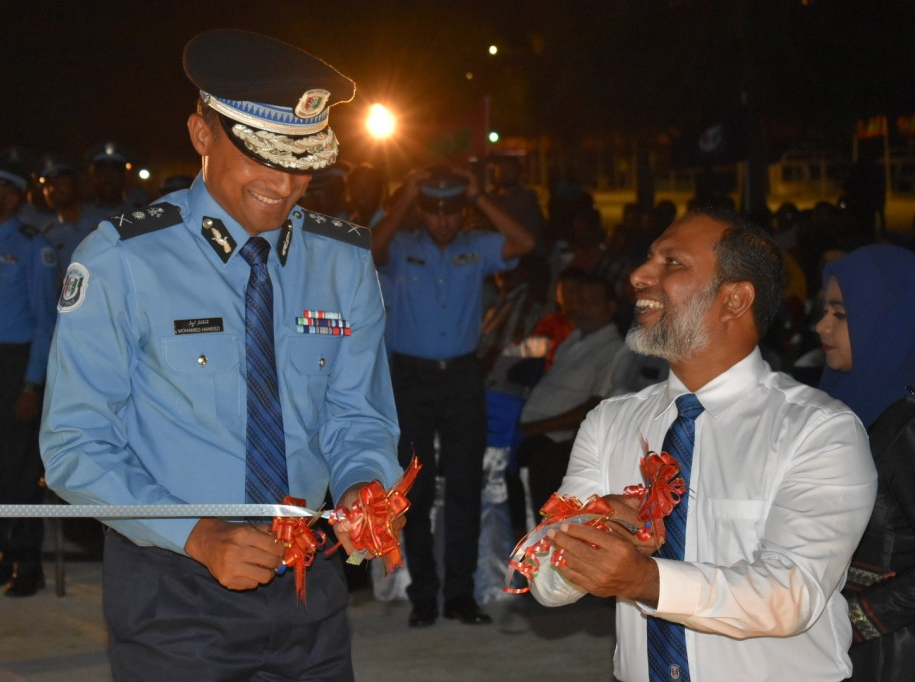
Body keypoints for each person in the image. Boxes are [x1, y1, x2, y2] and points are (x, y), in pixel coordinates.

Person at [40, 29, 401, 681]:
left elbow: (359, 415)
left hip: (309, 587)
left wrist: (362, 484)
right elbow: (74, 445)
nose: (286, 183)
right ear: (202, 135)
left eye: (303, 160)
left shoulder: (342, 261)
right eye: (264, 156)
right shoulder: (123, 261)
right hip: (172, 595)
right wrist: (198, 535)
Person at [530, 208, 876, 681]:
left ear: (734, 299)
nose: (637, 275)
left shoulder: (818, 431)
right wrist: (596, 528)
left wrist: (647, 581)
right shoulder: (611, 422)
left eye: (671, 263)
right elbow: (545, 582)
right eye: (648, 259)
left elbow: (791, 594)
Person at [372, 163, 535, 627]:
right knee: (415, 491)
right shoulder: (402, 247)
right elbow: (369, 248)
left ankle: (461, 595)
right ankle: (424, 594)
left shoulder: (477, 248)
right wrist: (404, 197)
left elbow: (523, 244)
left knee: (465, 486)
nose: (442, 221)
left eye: (451, 212)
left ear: (461, 213)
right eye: (433, 212)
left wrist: (482, 196)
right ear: (422, 212)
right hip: (411, 377)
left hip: (462, 376)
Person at [814, 245, 915, 682]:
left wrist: (854, 618)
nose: (822, 326)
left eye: (842, 313)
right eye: (824, 310)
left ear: (889, 320)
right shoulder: (847, 409)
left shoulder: (904, 427)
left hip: (889, 652)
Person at [0, 150, 59, 598]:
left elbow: (45, 320)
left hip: (15, 365)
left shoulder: (33, 247)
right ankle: (5, 552)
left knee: (19, 470)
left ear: (12, 196)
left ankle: (28, 563)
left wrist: (31, 384)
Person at [517, 274, 625, 517]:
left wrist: (533, 429)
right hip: (531, 430)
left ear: (611, 306)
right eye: (579, 300)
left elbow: (593, 408)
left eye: (592, 300)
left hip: (557, 440)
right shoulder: (572, 338)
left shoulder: (616, 349)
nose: (583, 306)